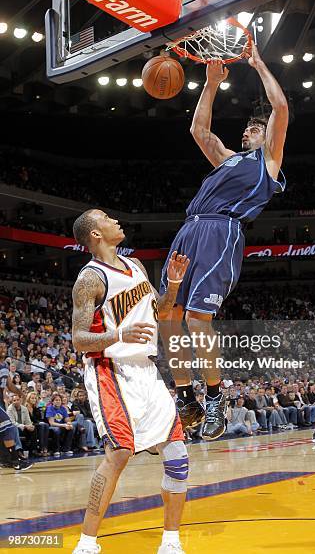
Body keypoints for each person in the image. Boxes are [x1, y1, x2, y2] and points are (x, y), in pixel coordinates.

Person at [160, 43, 288, 440]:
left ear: (267, 137)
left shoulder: (267, 161)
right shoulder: (229, 158)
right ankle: (186, 397)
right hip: (190, 229)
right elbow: (199, 130)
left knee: (198, 318)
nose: (250, 128)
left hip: (221, 232)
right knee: (168, 316)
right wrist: (211, 84)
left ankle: (215, 398)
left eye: (257, 127)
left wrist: (259, 64)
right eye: (248, 127)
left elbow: (280, 109)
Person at [70, 209, 190, 554]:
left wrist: (174, 284)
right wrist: (120, 333)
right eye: (106, 218)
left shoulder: (136, 266)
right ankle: (87, 543)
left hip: (146, 371)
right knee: (120, 453)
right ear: (95, 234)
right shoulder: (90, 279)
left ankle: (170, 541)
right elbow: (79, 339)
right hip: (110, 369)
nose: (115, 221)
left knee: (178, 453)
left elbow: (162, 311)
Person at [0, 343, 32, 470]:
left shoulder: (5, 366)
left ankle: (5, 460)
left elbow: (9, 385)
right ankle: (16, 462)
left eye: (3, 347)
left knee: (4, 431)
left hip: (0, 400)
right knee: (8, 427)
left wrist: (21, 393)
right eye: (0, 348)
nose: (2, 349)